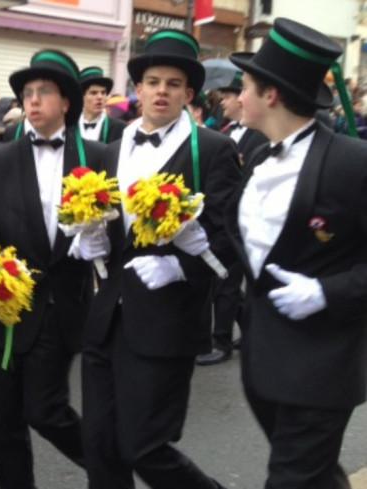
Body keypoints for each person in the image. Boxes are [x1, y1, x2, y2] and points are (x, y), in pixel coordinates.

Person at [75, 29, 240, 489]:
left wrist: (180, 266)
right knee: (100, 446)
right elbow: (109, 226)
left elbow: (229, 237)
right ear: (138, 89)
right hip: (107, 316)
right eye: (152, 82)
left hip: (168, 320)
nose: (161, 91)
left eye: (173, 84)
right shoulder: (111, 150)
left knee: (144, 447)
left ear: (188, 94)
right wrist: (90, 242)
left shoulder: (212, 149)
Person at [0, 49, 102, 489]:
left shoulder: (98, 155)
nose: (33, 100)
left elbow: (119, 226)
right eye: (27, 92)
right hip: (4, 305)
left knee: (45, 410)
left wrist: (101, 237)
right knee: (3, 420)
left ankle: (107, 465)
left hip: (61, 305)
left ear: (66, 101)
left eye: (44, 91)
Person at [227, 18, 367, 488]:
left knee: (291, 480)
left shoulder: (352, 162)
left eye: (244, 87)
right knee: (317, 478)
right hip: (264, 364)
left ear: (270, 95)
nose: (237, 97)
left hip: (322, 367)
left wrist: (328, 292)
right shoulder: (260, 156)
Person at [196, 70, 269, 367]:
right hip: (220, 215)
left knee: (226, 283)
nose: (224, 102)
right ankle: (248, 328)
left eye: (228, 96)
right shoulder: (225, 133)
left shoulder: (260, 137)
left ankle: (221, 342)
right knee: (223, 281)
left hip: (244, 220)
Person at [78, 67, 127, 143]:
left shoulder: (119, 127)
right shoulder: (70, 127)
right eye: (93, 93)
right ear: (81, 97)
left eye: (103, 93)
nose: (100, 97)